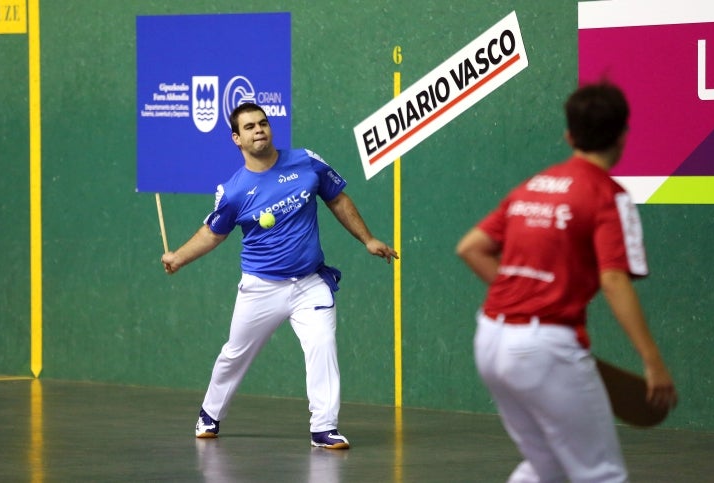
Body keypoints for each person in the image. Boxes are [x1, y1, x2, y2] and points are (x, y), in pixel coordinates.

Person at [455, 82, 677, 482]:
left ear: (569, 135)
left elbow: (471, 247)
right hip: (544, 348)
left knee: (548, 467)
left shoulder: (534, 186)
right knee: (602, 474)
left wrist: (522, 294)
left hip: (489, 340)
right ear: (624, 135)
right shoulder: (607, 195)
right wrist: (653, 361)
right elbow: (613, 279)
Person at [161, 102, 398, 449]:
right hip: (260, 289)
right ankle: (210, 414)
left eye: (263, 123)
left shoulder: (306, 161)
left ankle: (324, 427)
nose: (259, 130)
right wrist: (178, 257)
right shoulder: (234, 191)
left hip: (309, 283)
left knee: (322, 346)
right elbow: (213, 232)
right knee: (235, 353)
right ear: (237, 139)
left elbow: (338, 200)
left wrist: (368, 238)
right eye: (250, 127)